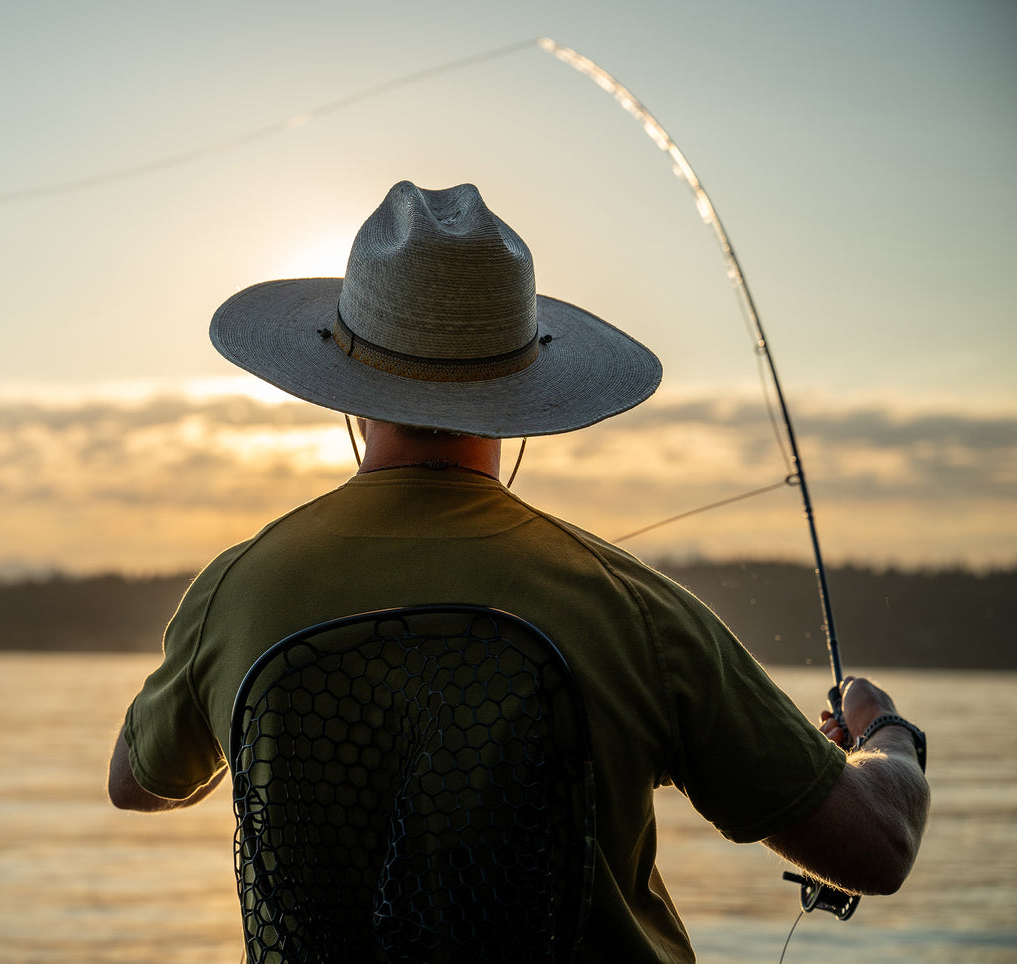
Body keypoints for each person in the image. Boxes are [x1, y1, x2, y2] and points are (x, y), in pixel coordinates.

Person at [107, 181, 929, 961]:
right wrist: (886, 737)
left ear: (346, 391)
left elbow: (137, 783)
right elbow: (877, 848)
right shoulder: (637, 614)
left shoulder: (236, 591)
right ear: (522, 395)